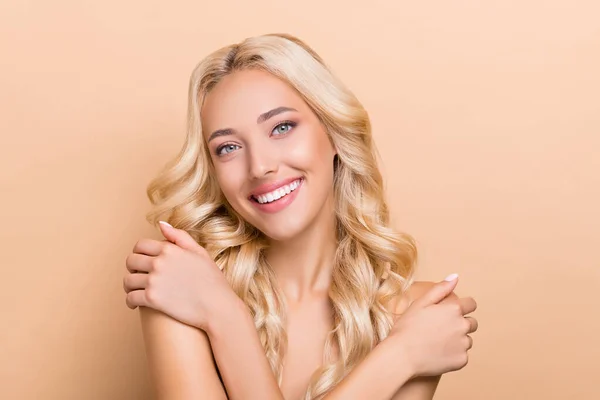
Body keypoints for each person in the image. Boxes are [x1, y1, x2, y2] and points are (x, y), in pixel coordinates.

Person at [122, 33, 478, 400]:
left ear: (334, 133)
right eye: (228, 147)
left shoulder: (417, 314)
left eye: (282, 127)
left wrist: (222, 318)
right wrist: (400, 357)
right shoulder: (184, 290)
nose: (259, 166)